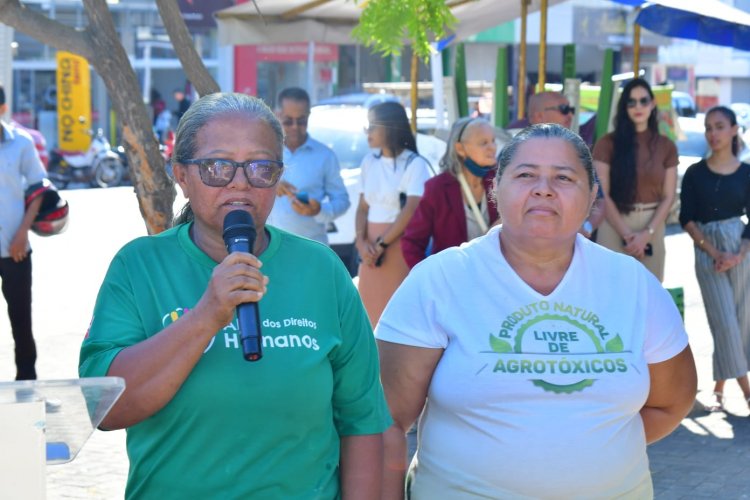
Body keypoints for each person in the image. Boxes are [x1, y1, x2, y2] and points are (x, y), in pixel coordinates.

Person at [79, 92, 390, 498]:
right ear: (182, 175)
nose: (240, 182)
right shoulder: (139, 266)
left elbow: (362, 421)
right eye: (216, 166)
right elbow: (103, 408)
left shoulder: (323, 270)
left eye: (261, 167)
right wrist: (206, 315)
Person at [376, 124, 697, 499]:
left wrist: (585, 450)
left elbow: (671, 401)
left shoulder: (634, 285)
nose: (543, 188)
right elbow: (386, 420)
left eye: (564, 177)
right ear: (496, 188)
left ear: (592, 193)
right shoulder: (439, 280)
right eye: (526, 174)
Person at [679, 105, 750, 413]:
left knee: (741, 323)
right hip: (708, 253)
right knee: (724, 324)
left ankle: (719, 388)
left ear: (734, 129)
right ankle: (748, 392)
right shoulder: (695, 173)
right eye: (708, 127)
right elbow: (687, 219)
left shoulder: (747, 172)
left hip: (741, 251)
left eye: (719, 126)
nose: (712, 133)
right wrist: (715, 252)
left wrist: (738, 254)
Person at [593, 78, 678, 281]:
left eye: (643, 100)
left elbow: (669, 196)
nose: (638, 106)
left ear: (653, 103)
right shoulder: (607, 143)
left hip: (652, 224)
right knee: (610, 293)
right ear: (624, 106)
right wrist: (628, 236)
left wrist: (645, 235)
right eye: (631, 102)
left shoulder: (666, 146)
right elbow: (602, 194)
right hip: (614, 223)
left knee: (650, 297)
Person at [355, 101, 431, 327]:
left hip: (398, 247)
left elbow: (410, 209)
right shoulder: (369, 162)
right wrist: (361, 242)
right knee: (368, 314)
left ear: (389, 127)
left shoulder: (415, 164)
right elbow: (362, 208)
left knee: (397, 315)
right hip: (369, 251)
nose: (367, 132)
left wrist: (382, 244)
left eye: (372, 126)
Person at [401, 117, 499, 268]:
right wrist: (431, 279)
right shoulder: (437, 188)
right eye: (483, 143)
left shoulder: (502, 182)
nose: (492, 147)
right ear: (460, 149)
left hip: (494, 276)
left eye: (493, 140)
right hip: (452, 280)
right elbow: (412, 243)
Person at [0, 84, 47, 381]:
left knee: (20, 320)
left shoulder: (20, 143)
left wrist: (22, 233)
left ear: (3, 109)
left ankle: (27, 382)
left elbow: (39, 186)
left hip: (14, 249)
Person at [268, 87, 350, 244]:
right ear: (277, 115)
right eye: (288, 120)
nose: (294, 127)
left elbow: (342, 200)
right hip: (269, 247)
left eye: (301, 121)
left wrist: (319, 210)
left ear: (309, 117)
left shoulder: (324, 155)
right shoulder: (263, 152)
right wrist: (269, 185)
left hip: (313, 246)